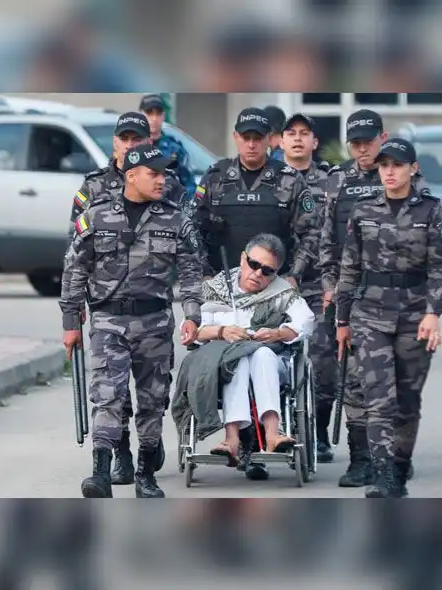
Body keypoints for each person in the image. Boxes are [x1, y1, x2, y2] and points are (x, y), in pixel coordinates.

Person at [60, 146, 203, 498]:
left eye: (164, 173)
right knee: (108, 395)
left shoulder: (175, 219)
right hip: (108, 319)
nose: (162, 179)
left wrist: (193, 314)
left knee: (153, 401)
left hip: (155, 321)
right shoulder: (96, 216)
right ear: (131, 176)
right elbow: (75, 267)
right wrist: (70, 320)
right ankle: (100, 473)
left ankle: (145, 475)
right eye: (153, 173)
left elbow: (190, 271)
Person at [192, 106, 321, 480]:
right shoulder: (216, 178)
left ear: (271, 141)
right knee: (236, 356)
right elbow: (193, 229)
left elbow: (311, 234)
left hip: (273, 285)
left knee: (263, 354)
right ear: (236, 138)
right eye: (245, 137)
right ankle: (246, 444)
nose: (251, 144)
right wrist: (205, 276)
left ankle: (260, 440)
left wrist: (294, 276)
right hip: (225, 288)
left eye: (258, 138)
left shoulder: (288, 180)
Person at [335, 138, 442, 498]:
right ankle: (382, 474)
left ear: (412, 169)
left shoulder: (431, 210)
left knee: (407, 401)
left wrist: (433, 314)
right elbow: (349, 266)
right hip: (369, 314)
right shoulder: (364, 208)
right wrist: (342, 320)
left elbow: (441, 267)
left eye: (397, 165)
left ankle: (399, 468)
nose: (389, 171)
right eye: (384, 165)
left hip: (415, 313)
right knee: (377, 398)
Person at [319, 109, 431, 487]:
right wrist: (331, 286)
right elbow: (328, 241)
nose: (363, 150)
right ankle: (361, 458)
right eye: (356, 143)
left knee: (396, 382)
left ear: (382, 138)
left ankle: (396, 455)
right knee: (353, 380)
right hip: (354, 294)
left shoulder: (409, 178)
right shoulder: (337, 182)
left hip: (401, 300)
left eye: (368, 141)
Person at [171, 234, 316, 466]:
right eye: (254, 264)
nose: (258, 274)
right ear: (242, 258)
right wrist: (221, 332)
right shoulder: (215, 288)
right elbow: (190, 330)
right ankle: (231, 439)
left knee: (260, 353)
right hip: (222, 364)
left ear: (275, 273)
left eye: (267, 271)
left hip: (269, 363)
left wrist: (278, 333)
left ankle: (272, 433)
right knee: (237, 358)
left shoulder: (282, 293)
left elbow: (306, 322)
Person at [280, 113, 336, 463]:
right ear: (281, 141)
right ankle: (278, 430)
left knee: (323, 361)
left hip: (317, 285)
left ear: (315, 142)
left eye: (305, 134)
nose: (298, 139)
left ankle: (319, 433)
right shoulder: (270, 180)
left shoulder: (332, 181)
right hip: (277, 285)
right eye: (291, 133)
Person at [139, 94, 197, 202]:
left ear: (163, 116)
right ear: (141, 115)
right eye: (149, 113)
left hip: (169, 211)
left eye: (158, 114)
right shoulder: (133, 147)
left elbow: (189, 184)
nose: (154, 119)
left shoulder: (174, 149)